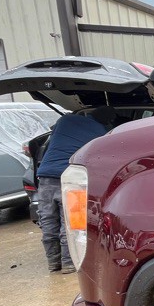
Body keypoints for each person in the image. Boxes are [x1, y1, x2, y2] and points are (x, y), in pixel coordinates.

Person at [36, 105, 114, 274]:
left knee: (48, 220)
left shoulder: (65, 120)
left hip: (46, 177)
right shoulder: (101, 132)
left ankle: (53, 263)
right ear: (107, 121)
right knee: (69, 223)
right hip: (70, 179)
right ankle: (68, 263)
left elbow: (53, 134)